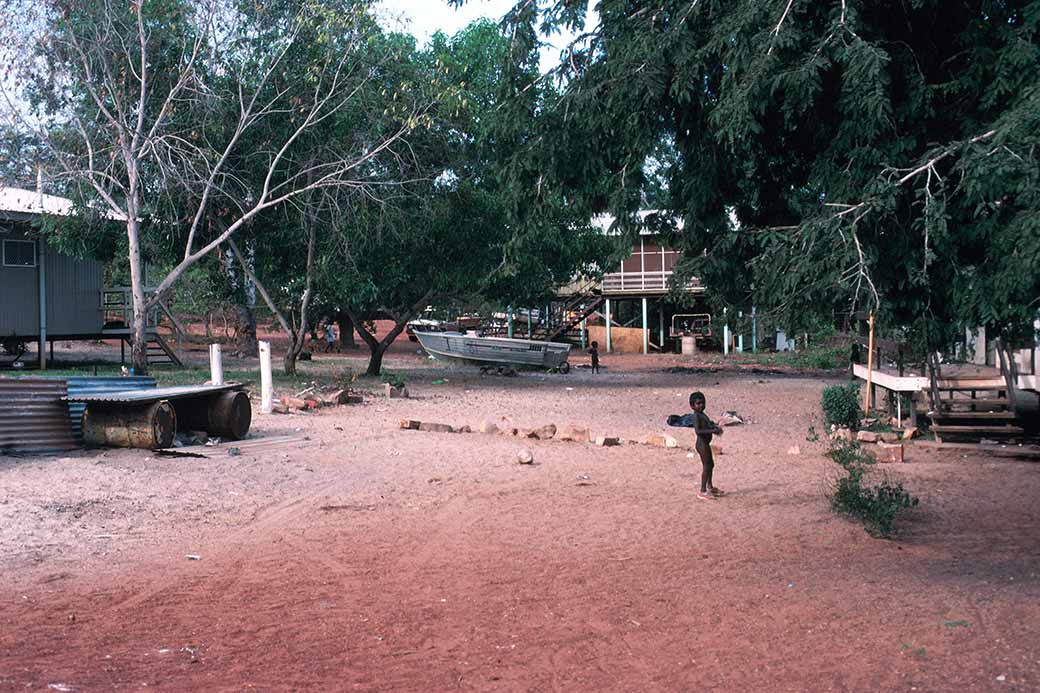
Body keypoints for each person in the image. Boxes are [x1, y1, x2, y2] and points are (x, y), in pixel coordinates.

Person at [667, 391, 724, 500]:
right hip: (702, 444)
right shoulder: (696, 416)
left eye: (703, 403)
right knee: (706, 466)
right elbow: (698, 431)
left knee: (711, 464)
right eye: (698, 403)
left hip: (705, 443)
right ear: (692, 406)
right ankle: (703, 491)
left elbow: (707, 425)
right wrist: (713, 431)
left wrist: (714, 426)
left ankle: (710, 486)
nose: (701, 405)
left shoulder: (702, 414)